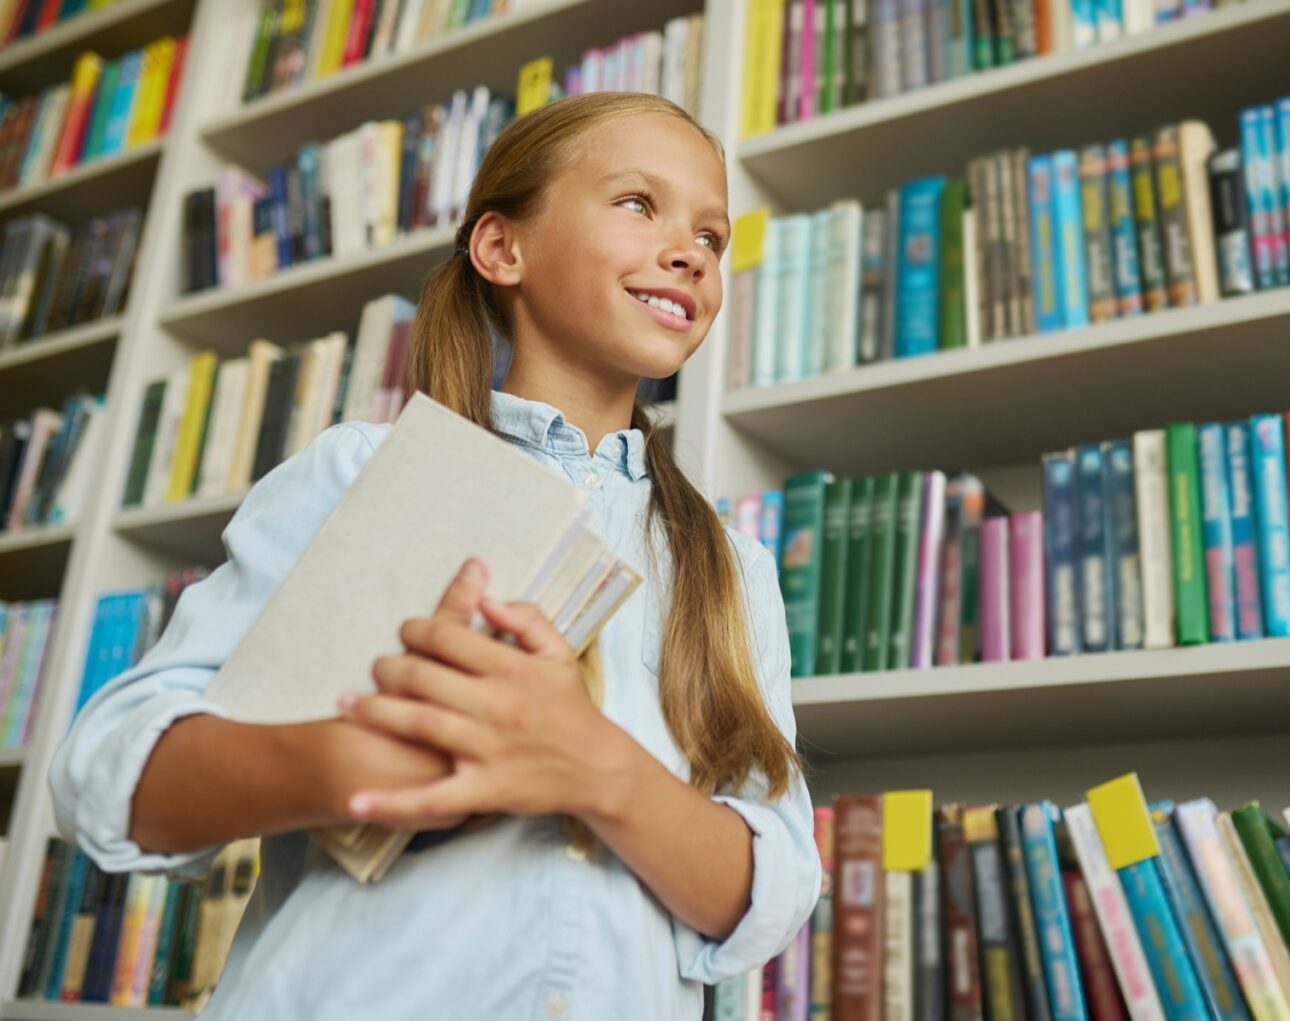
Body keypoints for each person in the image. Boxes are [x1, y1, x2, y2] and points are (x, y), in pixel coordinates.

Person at [50, 92, 820, 1019]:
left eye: (712, 234)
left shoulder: (734, 570)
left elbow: (770, 895)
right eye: (636, 203)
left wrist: (594, 766)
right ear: (504, 249)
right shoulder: (363, 470)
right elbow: (107, 778)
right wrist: (352, 762)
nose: (691, 250)